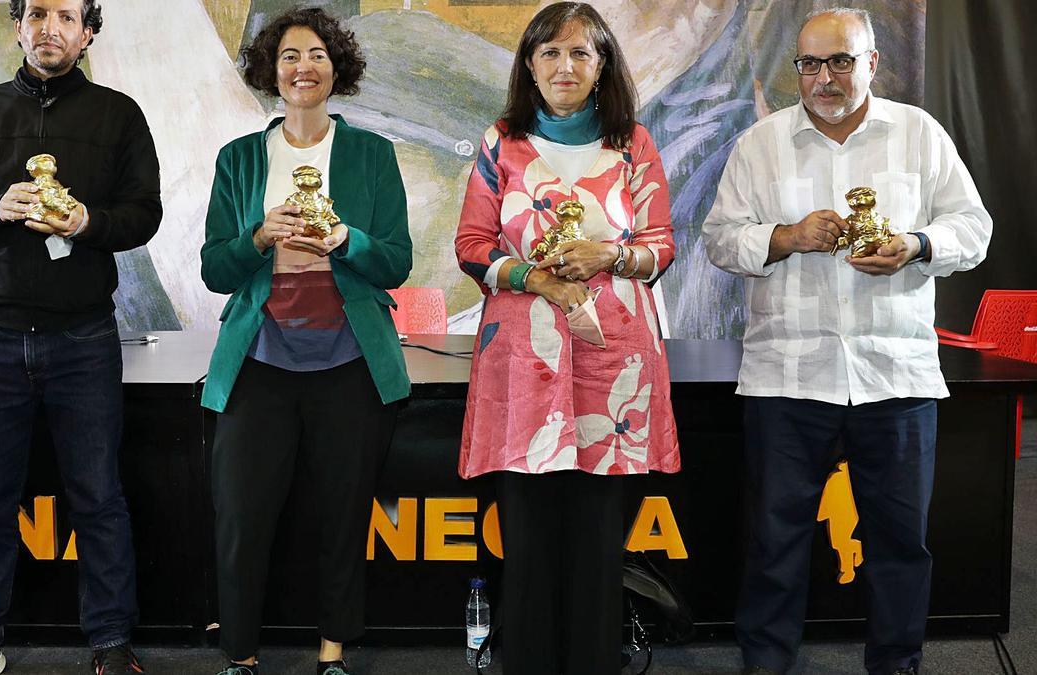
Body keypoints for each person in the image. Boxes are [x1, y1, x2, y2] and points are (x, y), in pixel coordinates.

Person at [701, 8, 992, 675]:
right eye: (810, 63)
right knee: (775, 541)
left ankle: (896, 663)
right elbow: (720, 239)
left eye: (841, 61)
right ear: (795, 67)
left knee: (899, 543)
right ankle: (766, 663)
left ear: (872, 63)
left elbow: (973, 229)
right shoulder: (761, 144)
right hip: (788, 376)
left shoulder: (919, 135)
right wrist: (786, 236)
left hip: (896, 373)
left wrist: (917, 244)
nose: (824, 77)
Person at [0, 0, 161, 672]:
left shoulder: (118, 115)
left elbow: (144, 214)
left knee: (98, 494)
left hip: (82, 337)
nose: (50, 27)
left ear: (88, 32)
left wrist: (89, 223)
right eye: (37, 14)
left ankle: (111, 640)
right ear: (18, 26)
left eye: (65, 15)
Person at [453, 3, 680, 673]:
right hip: (522, 367)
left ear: (602, 65)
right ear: (529, 63)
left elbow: (661, 246)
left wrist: (607, 255)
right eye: (550, 52)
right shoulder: (502, 142)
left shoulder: (634, 142)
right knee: (526, 540)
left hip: (614, 373)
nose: (565, 65)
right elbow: (471, 246)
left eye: (581, 53)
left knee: (596, 541)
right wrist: (532, 277)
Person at [199, 8, 412, 675]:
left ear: (336, 66)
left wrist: (345, 237)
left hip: (349, 362)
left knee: (343, 516)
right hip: (258, 361)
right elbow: (214, 269)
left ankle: (332, 653)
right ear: (271, 71)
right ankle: (240, 654)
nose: (302, 67)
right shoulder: (238, 158)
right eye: (289, 55)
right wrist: (258, 237)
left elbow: (397, 262)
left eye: (317, 54)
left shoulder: (372, 154)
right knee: (241, 517)